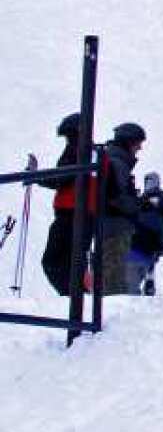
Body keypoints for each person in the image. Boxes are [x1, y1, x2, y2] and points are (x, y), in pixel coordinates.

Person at [39, 112, 93, 296]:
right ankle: (76, 296)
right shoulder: (89, 151)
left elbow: (62, 177)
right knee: (73, 258)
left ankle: (72, 296)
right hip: (83, 213)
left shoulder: (76, 150)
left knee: (53, 260)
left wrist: (36, 177)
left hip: (70, 213)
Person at [99, 122, 146, 294]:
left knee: (110, 272)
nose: (139, 148)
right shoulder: (118, 163)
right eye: (137, 143)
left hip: (107, 225)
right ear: (129, 142)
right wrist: (139, 205)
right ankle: (110, 315)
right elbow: (117, 197)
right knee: (114, 276)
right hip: (115, 226)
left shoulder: (111, 159)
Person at [128, 172, 163, 296]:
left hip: (136, 248)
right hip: (155, 249)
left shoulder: (141, 202)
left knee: (130, 288)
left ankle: (145, 284)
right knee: (147, 265)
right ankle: (150, 278)